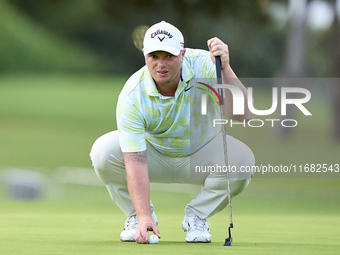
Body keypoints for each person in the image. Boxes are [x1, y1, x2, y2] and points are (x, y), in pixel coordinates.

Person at [90, 21, 255, 244]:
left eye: (168, 56)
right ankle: (137, 216)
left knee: (243, 159)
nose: (161, 64)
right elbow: (135, 160)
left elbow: (243, 114)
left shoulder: (206, 65)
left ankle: (197, 216)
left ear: (182, 54)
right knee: (103, 151)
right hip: (154, 156)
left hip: (203, 151)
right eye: (154, 56)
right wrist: (144, 214)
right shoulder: (132, 94)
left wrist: (224, 67)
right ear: (144, 56)